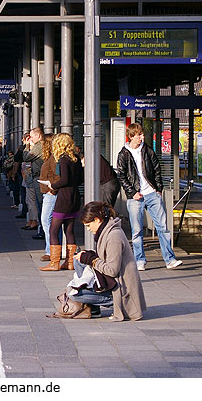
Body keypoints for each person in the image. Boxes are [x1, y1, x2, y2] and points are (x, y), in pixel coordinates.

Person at [116, 122, 182, 271]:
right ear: (131, 136)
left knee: (163, 227)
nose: (142, 137)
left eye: (142, 134)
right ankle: (140, 260)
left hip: (152, 193)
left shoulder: (147, 151)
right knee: (137, 230)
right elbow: (121, 176)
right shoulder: (123, 154)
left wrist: (158, 189)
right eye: (139, 135)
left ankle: (170, 259)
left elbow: (157, 169)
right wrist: (132, 193)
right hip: (136, 197)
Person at [69, 201, 146, 322]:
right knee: (79, 261)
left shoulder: (114, 236)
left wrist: (92, 259)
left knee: (74, 294)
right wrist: (87, 256)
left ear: (97, 220)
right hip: (111, 282)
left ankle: (114, 304)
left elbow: (112, 270)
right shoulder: (105, 231)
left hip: (121, 290)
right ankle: (94, 308)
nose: (88, 229)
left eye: (88, 225)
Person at [40, 133, 83, 271]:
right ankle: (70, 262)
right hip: (75, 196)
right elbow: (80, 179)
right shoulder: (75, 158)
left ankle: (54, 263)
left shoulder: (63, 160)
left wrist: (53, 185)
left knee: (53, 230)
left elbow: (64, 180)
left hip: (64, 197)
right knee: (69, 230)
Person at [38, 134, 60, 261]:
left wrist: (52, 189)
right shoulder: (51, 158)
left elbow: (57, 176)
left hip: (51, 194)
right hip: (49, 193)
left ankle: (50, 250)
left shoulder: (53, 159)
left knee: (47, 221)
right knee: (51, 222)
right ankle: (53, 249)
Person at [18, 128, 44, 232]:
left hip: (38, 177)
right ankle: (38, 225)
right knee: (34, 202)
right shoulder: (39, 146)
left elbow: (26, 157)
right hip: (36, 177)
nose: (31, 139)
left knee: (38, 203)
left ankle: (39, 227)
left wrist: (27, 146)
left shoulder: (38, 146)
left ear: (38, 136)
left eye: (32, 137)